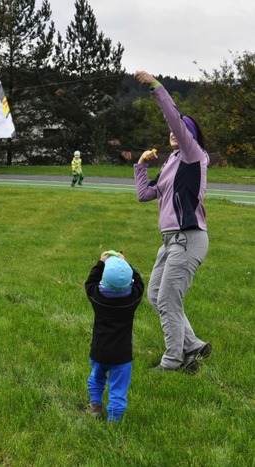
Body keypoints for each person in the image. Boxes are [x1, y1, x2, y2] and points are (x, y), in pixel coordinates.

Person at [133, 70, 212, 372]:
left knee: (168, 299)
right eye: (172, 130)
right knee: (156, 295)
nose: (173, 132)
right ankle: (194, 345)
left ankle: (173, 360)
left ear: (188, 135)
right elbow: (145, 194)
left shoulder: (194, 155)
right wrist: (141, 165)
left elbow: (175, 119)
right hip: (169, 241)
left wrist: (156, 86)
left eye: (179, 129)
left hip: (188, 239)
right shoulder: (171, 163)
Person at [85, 250, 144, 422]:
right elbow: (140, 283)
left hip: (99, 351)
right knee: (118, 388)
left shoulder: (97, 297)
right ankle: (114, 420)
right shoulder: (132, 300)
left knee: (96, 378)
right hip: (122, 355)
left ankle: (95, 406)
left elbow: (90, 282)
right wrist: (126, 264)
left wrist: (101, 263)